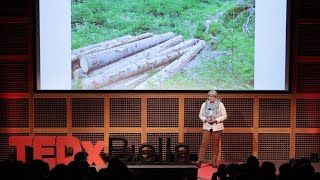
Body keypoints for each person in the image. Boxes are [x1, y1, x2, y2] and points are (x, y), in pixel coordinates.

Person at [194, 90, 227, 168]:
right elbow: (200, 115)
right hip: (207, 126)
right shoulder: (204, 104)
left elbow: (224, 115)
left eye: (212, 96)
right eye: (209, 96)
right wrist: (206, 119)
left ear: (215, 97)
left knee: (215, 145)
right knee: (203, 143)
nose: (210, 97)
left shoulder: (220, 104)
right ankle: (199, 161)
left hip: (217, 127)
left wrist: (216, 120)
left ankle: (214, 162)